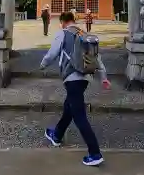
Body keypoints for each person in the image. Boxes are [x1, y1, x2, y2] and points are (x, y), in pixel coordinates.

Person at [40, 11, 110, 166]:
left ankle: (95, 153)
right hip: (85, 78)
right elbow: (97, 59)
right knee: (69, 107)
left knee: (79, 115)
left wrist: (42, 64)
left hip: (72, 78)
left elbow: (52, 53)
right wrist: (104, 78)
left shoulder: (64, 33)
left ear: (63, 22)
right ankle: (56, 135)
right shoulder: (84, 34)